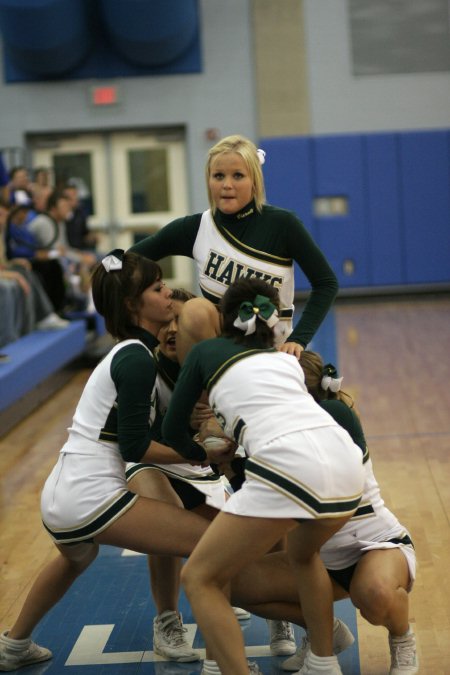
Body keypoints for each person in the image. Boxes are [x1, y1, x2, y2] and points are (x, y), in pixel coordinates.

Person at [0, 250, 214, 672]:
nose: (168, 291)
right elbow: (135, 448)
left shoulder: (134, 353)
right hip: (89, 496)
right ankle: (221, 659)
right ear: (133, 305)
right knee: (210, 542)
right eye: (156, 288)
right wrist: (199, 452)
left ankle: (13, 645)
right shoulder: (135, 359)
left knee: (76, 559)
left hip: (63, 493)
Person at [161, 277, 365, 675]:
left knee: (200, 577)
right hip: (346, 468)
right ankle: (323, 663)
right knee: (303, 556)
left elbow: (172, 430)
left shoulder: (204, 353)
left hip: (288, 467)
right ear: (275, 323)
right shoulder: (286, 360)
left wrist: (198, 455)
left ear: (223, 320)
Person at [131, 134, 338, 364]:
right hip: (218, 361)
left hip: (274, 356)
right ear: (208, 180)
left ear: (255, 181)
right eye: (218, 176)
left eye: (238, 175)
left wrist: (299, 339)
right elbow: (126, 261)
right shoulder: (195, 228)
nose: (227, 185)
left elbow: (326, 284)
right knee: (195, 309)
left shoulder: (283, 224)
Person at [278, 350, 418, 674]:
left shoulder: (333, 413)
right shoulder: (284, 425)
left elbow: (323, 491)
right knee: (235, 582)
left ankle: (403, 638)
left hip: (373, 544)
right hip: (319, 559)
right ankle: (323, 639)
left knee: (372, 595)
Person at [125, 287, 229, 664]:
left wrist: (215, 428)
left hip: (198, 466)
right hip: (149, 460)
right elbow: (134, 442)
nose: (172, 329)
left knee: (243, 525)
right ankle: (167, 619)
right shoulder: (143, 366)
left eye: (181, 322)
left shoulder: (215, 368)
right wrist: (187, 432)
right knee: (162, 517)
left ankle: (274, 615)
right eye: (167, 321)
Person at [0, 197, 68, 341]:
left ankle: (39, 320)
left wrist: (13, 262)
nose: (5, 218)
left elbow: (3, 261)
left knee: (28, 272)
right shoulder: (16, 230)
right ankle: (8, 337)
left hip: (5, 269)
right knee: (9, 287)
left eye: (6, 215)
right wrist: (14, 275)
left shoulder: (4, 231)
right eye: (1, 214)